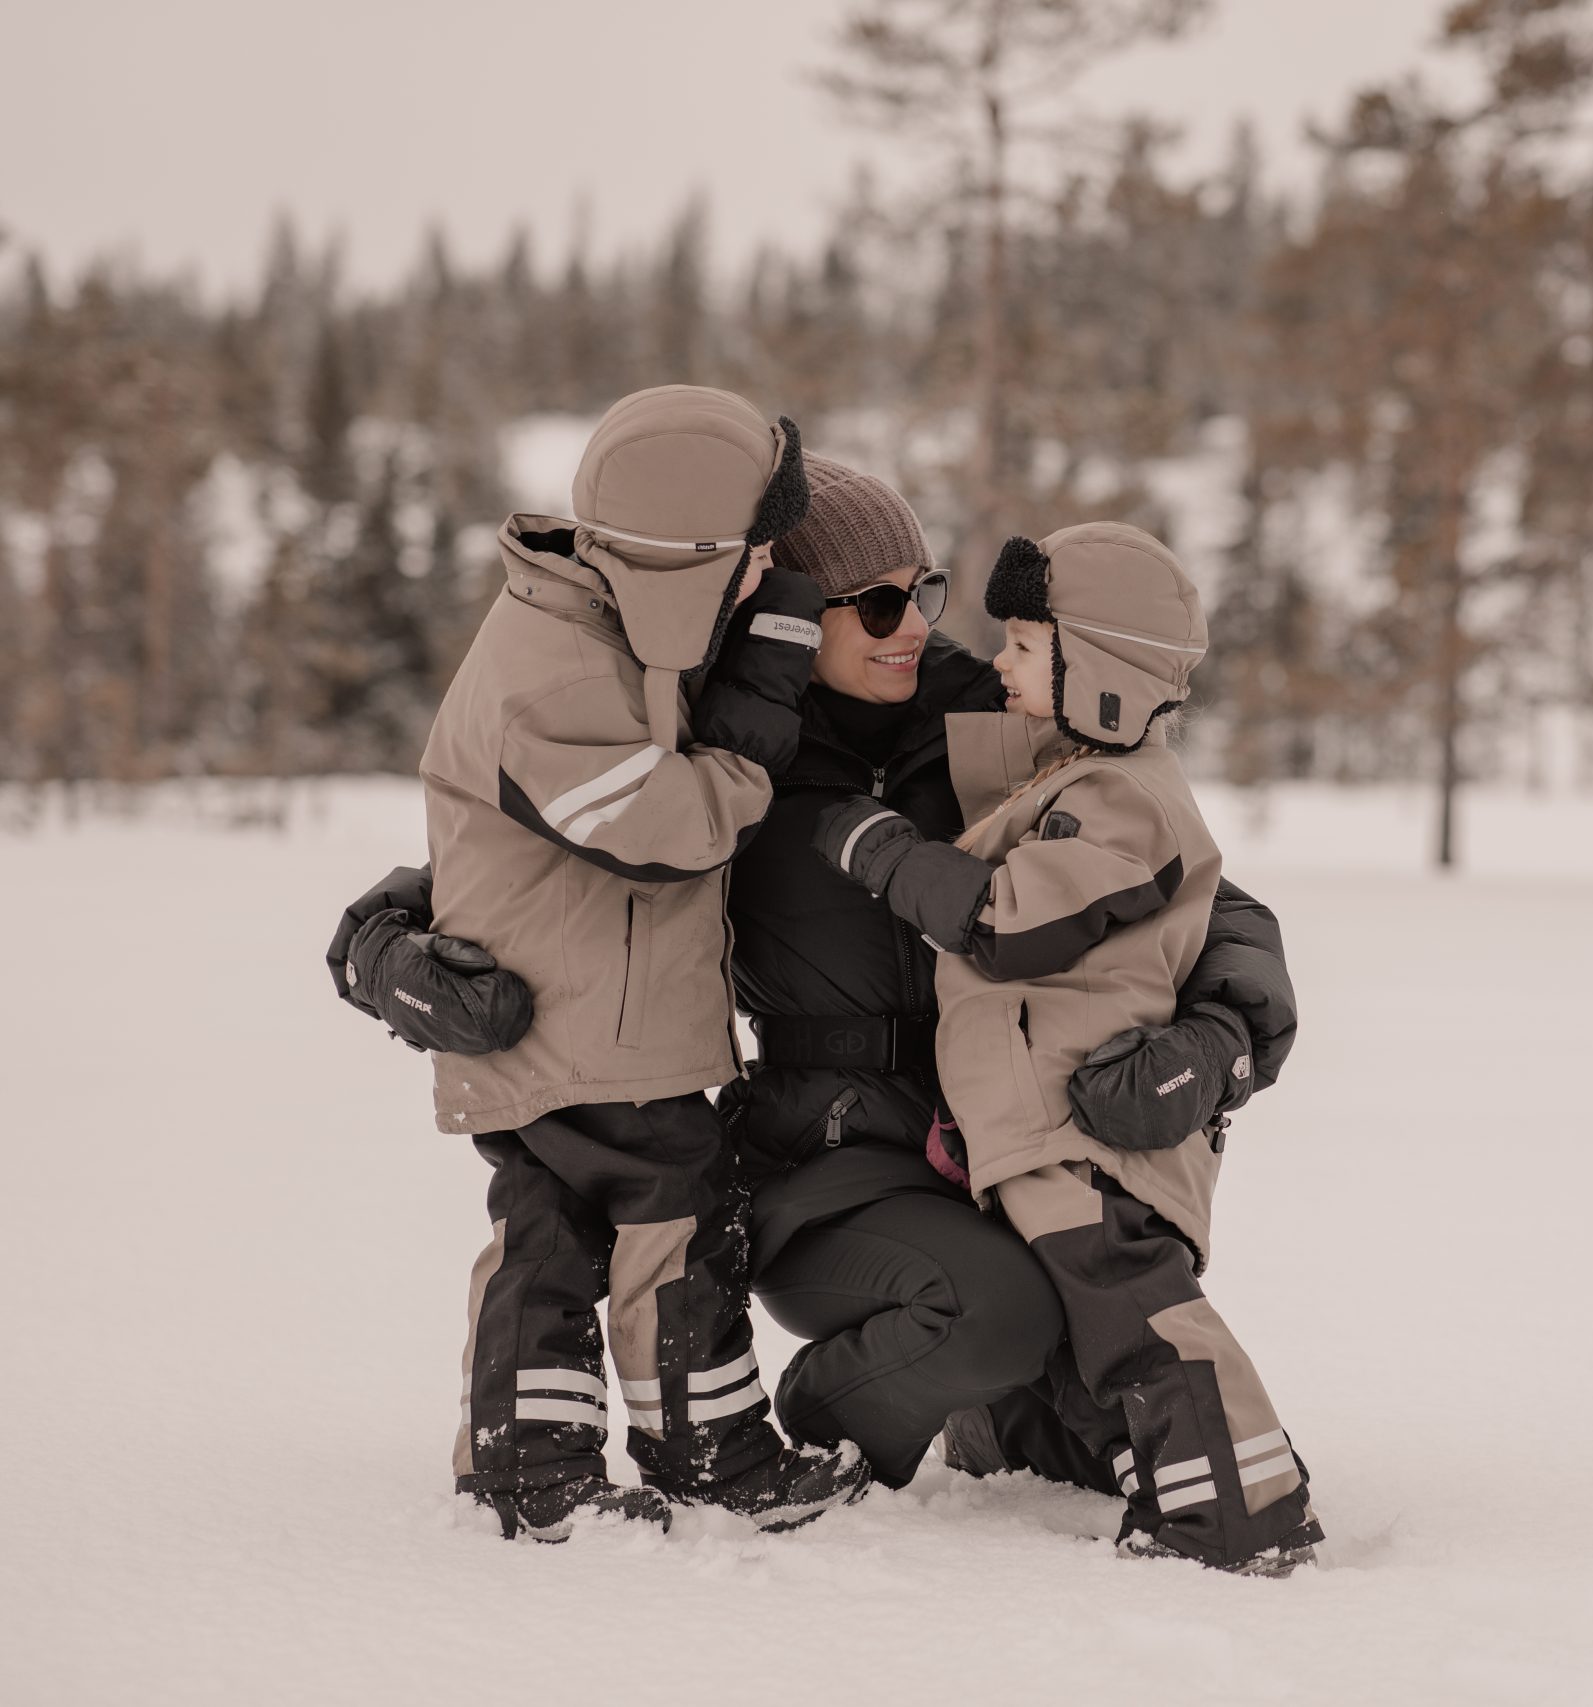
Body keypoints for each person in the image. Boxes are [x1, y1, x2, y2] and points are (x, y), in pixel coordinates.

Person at [330, 459, 1298, 1522]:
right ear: (791, 611)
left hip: (987, 1140)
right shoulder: (715, 752)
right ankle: (825, 1420)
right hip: (815, 1153)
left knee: (1091, 1372)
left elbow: (1191, 881)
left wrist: (1227, 1034)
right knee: (995, 1314)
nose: (912, 626)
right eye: (875, 603)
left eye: (924, 592)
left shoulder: (996, 718)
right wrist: (380, 948)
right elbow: (516, 865)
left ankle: (1004, 1416)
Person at [393, 384, 869, 1541]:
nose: (764, 573)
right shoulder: (553, 668)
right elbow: (668, 832)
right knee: (649, 1229)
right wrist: (756, 718)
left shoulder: (602, 624)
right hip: (567, 1018)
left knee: (572, 1227)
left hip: (596, 1011)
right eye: (754, 550)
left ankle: (569, 1456)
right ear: (693, 551)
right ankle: (664, 1455)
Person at [812, 524, 1320, 1575]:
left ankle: (1239, 1502)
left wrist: (881, 849)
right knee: (1067, 1307)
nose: (998, 664)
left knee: (1130, 1308)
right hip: (1032, 1121)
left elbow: (1008, 922)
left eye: (1026, 645)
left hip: (1085, 1119)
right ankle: (1048, 1456)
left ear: (1099, 671)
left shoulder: (1119, 796)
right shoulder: (1071, 778)